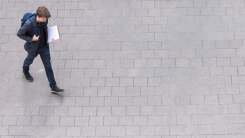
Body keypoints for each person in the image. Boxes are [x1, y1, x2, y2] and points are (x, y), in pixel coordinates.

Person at [17, 6, 64, 93]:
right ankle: (25, 70)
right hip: (33, 47)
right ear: (39, 17)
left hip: (44, 47)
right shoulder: (29, 24)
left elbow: (45, 29)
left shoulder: (44, 20)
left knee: (48, 66)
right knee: (29, 60)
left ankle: (53, 86)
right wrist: (31, 39)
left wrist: (52, 36)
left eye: (46, 18)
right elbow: (19, 34)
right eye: (44, 18)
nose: (46, 20)